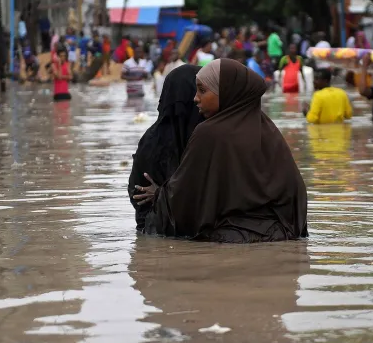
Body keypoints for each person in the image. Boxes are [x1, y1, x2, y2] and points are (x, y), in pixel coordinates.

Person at [132, 59, 308, 243]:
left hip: (230, 240)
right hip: (283, 235)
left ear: (226, 92)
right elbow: (296, 191)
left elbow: (185, 193)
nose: (195, 98)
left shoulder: (208, 133)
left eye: (202, 90)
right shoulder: (269, 130)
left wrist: (159, 195)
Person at [128, 65, 203, 231]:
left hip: (159, 232)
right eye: (199, 90)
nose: (199, 98)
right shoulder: (154, 141)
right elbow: (139, 194)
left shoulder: (205, 133)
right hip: (162, 229)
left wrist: (161, 194)